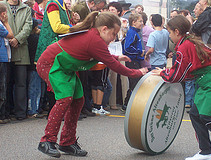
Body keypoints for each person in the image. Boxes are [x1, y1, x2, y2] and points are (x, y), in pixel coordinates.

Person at [37, 11, 148, 158]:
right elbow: (113, 64)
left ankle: (67, 142)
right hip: (51, 64)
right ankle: (47, 141)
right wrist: (138, 72)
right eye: (113, 34)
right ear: (104, 29)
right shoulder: (94, 40)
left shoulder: (95, 37)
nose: (114, 38)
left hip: (65, 68)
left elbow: (101, 55)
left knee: (78, 101)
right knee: (65, 99)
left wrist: (117, 56)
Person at [152, 15, 211, 160]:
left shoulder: (184, 46)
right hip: (210, 80)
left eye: (170, 32)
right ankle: (206, 152)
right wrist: (166, 72)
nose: (169, 36)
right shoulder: (188, 41)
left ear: (177, 31)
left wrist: (162, 72)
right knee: (195, 114)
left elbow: (177, 76)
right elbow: (186, 72)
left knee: (208, 116)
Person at [1, 0, 32, 120]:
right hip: (5, 48)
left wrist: (17, 39)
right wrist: (10, 38)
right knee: (5, 83)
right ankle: (6, 112)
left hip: (21, 49)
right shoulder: (2, 5)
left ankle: (20, 113)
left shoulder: (26, 8)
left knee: (21, 83)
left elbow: (28, 26)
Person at [121, 13, 144, 111]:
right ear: (134, 22)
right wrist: (139, 52)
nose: (142, 23)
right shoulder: (132, 32)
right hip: (132, 61)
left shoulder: (135, 32)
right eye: (140, 21)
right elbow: (127, 48)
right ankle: (127, 104)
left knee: (136, 83)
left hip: (136, 60)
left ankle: (129, 104)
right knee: (134, 83)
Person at [0, 3, 14, 124]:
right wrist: (6, 23)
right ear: (3, 14)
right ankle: (2, 115)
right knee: (2, 86)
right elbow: (10, 34)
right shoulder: (0, 24)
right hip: (2, 58)